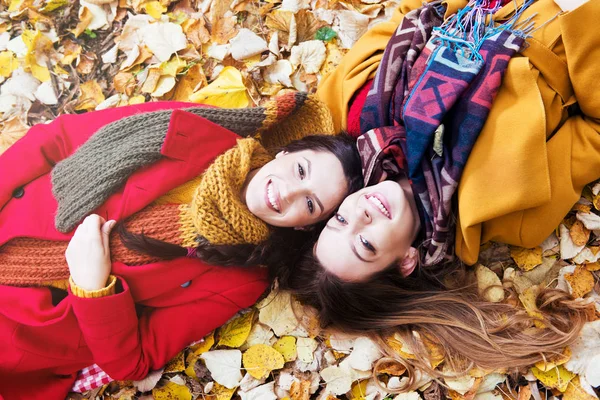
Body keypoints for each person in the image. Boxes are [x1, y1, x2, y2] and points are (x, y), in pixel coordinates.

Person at [275, 0, 600, 386]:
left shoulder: (356, 122)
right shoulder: (512, 214)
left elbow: (409, 13)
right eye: (365, 244)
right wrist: (578, 11)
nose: (359, 215)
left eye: (339, 221)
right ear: (405, 261)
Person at [0, 92, 363, 399]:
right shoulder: (200, 127)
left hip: (21, 331)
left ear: (306, 227)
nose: (288, 192)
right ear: (285, 152)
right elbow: (57, 139)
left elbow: (135, 362)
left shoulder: (241, 277)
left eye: (311, 204)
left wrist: (93, 289)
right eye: (301, 170)